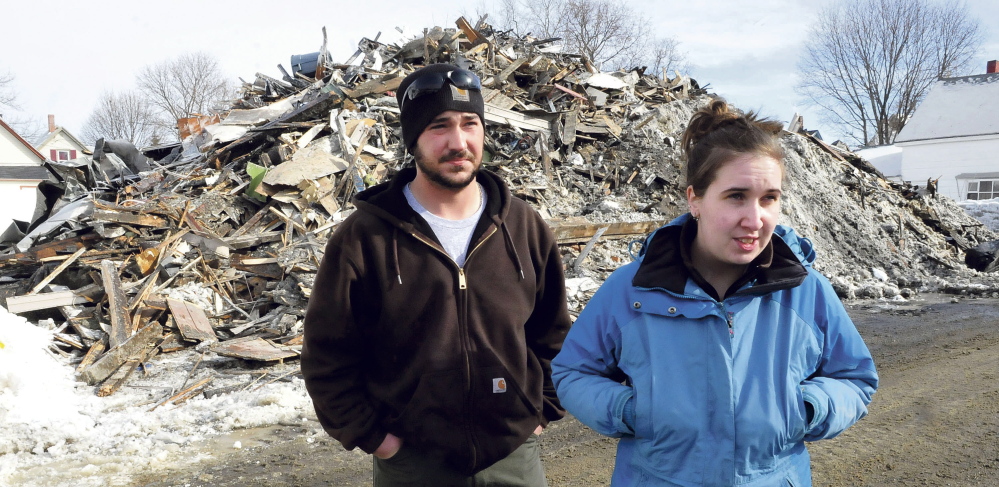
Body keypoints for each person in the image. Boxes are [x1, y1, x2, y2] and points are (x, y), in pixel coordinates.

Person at [551, 99, 879, 486]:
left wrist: (805, 409)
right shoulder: (632, 289)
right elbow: (574, 371)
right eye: (736, 196)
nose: (754, 219)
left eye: (769, 198)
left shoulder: (806, 291)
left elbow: (855, 378)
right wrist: (631, 411)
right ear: (695, 199)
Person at [301, 63, 572, 486]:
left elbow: (554, 335)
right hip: (413, 464)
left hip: (514, 457)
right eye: (439, 127)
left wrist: (541, 413)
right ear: (414, 140)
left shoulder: (523, 226)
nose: (458, 142)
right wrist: (377, 439)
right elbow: (326, 357)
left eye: (470, 124)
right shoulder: (365, 237)